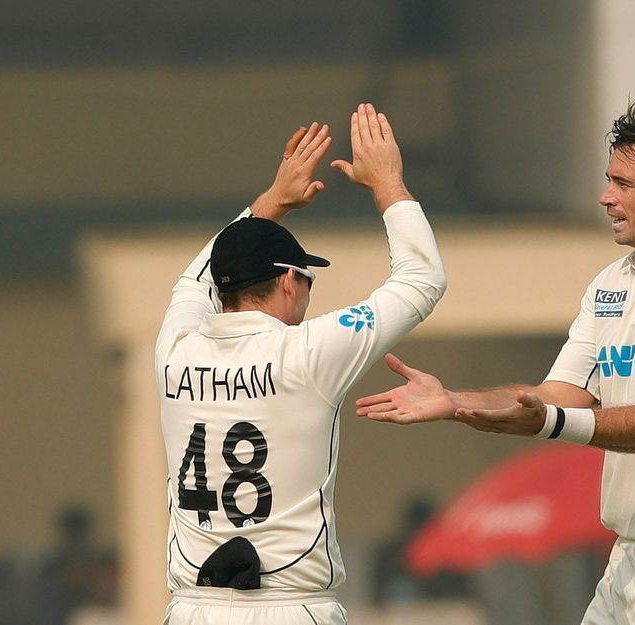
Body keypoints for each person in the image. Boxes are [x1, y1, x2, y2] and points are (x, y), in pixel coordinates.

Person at [357, 100, 635, 625]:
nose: (606, 196)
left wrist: (551, 423)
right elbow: (557, 395)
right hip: (629, 554)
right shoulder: (610, 284)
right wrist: (455, 401)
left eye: (624, 183)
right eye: (607, 180)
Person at [155, 103, 446, 624]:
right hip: (291, 608)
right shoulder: (308, 353)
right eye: (307, 278)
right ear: (288, 279)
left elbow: (193, 281)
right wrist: (389, 186)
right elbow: (421, 281)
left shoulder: (175, 349)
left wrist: (272, 201)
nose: (309, 291)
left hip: (193, 611)